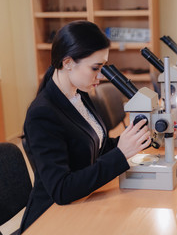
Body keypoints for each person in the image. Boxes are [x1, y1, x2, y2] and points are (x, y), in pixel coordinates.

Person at [19, 20, 151, 233]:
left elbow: (96, 145)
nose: (100, 77)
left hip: (83, 203)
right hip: (51, 219)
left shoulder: (79, 94)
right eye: (95, 68)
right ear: (68, 62)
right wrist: (120, 154)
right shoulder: (42, 114)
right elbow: (62, 190)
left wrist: (134, 139)